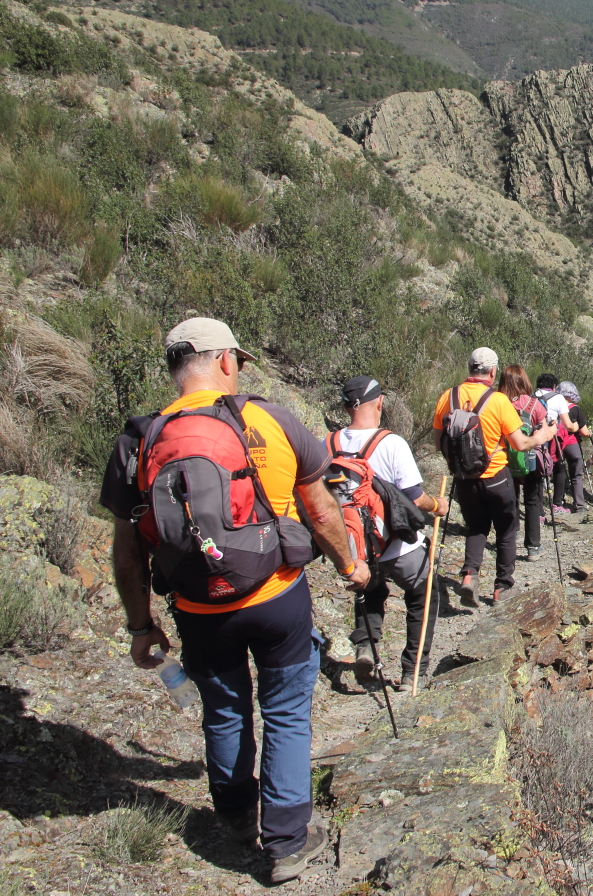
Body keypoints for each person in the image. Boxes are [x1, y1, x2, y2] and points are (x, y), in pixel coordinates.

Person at [100, 317, 369, 881]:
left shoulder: (140, 439)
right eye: (239, 361)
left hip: (199, 609)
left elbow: (128, 552)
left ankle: (237, 817)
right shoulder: (267, 418)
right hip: (275, 598)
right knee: (288, 713)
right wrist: (350, 563)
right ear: (225, 361)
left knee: (224, 710)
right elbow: (320, 510)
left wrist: (140, 626)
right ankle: (288, 842)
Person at [334, 376, 450, 692]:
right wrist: (437, 505)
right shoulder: (390, 443)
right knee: (424, 594)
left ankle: (366, 648)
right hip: (397, 546)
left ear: (347, 406)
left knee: (370, 590)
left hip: (353, 548)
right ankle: (413, 672)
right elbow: (414, 497)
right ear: (379, 403)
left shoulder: (328, 444)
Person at [433, 348, 557, 609]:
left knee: (476, 527)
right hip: (496, 476)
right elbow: (521, 443)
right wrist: (541, 437)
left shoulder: (448, 396)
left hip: (464, 478)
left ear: (469, 367)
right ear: (492, 372)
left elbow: (438, 442)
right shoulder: (498, 401)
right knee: (506, 529)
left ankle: (470, 575)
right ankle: (502, 587)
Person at [500, 365, 550, 563]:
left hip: (504, 460)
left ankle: (509, 540)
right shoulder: (534, 404)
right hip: (530, 459)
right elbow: (544, 434)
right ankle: (533, 547)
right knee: (532, 502)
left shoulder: (497, 402)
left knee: (510, 500)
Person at [535, 373, 580, 515]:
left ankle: (539, 509)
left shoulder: (533, 396)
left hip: (535, 439)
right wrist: (576, 426)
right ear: (554, 386)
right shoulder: (558, 398)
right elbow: (568, 425)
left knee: (539, 473)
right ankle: (557, 504)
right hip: (551, 439)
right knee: (559, 469)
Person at [553, 381, 591, 511]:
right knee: (576, 475)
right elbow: (584, 432)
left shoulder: (554, 406)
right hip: (572, 444)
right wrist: (589, 433)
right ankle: (579, 505)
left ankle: (557, 503)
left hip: (557, 443)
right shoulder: (575, 409)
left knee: (559, 473)